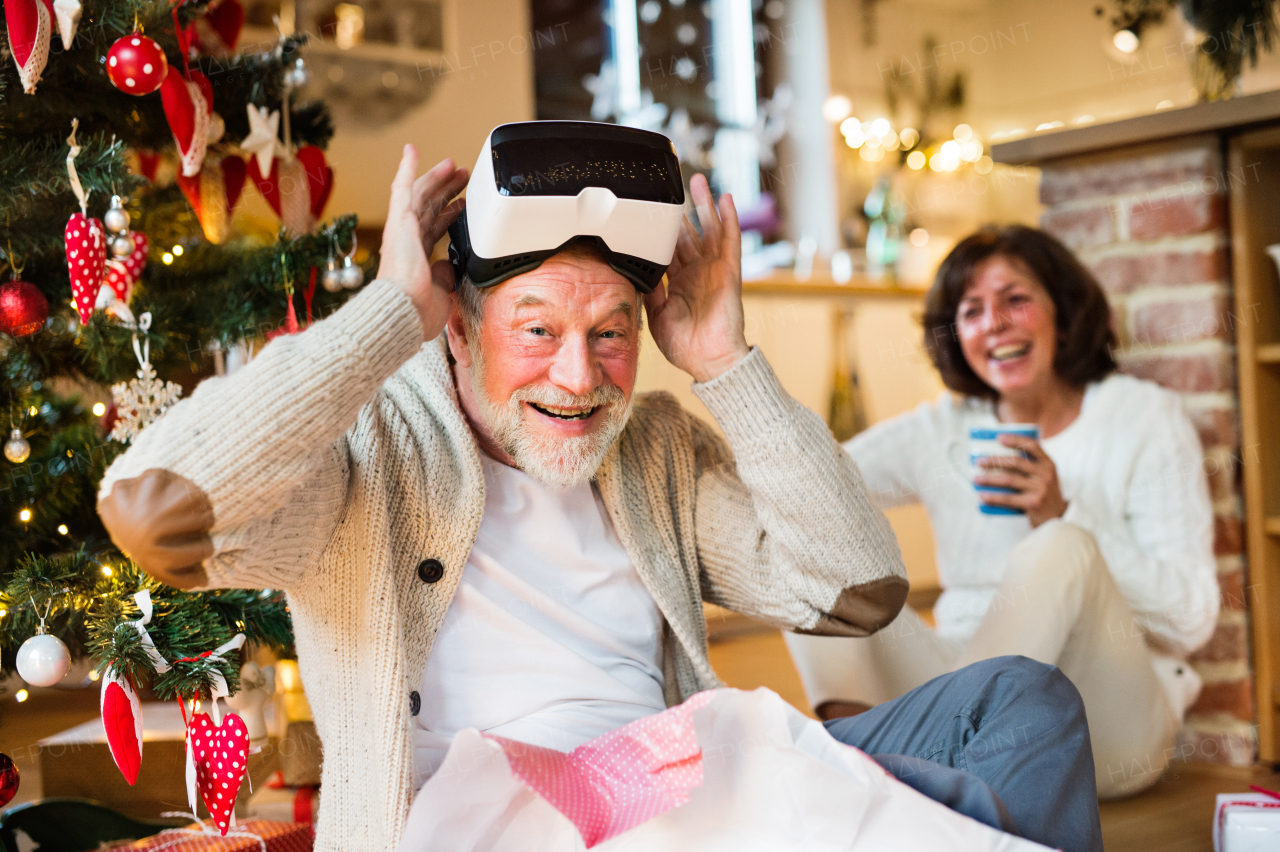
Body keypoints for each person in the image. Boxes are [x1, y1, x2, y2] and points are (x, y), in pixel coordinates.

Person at [97, 125, 1100, 851]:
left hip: (680, 778)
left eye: (610, 333)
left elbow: (854, 587)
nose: (577, 379)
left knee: (1018, 697)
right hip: (500, 818)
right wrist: (385, 312)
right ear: (457, 326)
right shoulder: (368, 459)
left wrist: (724, 360)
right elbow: (157, 503)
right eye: (535, 330)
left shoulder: (653, 446)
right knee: (915, 807)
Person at [786, 224, 1219, 800]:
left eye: (1016, 299)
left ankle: (927, 773)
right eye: (972, 311)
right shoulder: (945, 425)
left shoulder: (1143, 419)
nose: (994, 323)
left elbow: (1190, 620)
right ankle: (854, 760)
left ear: (1062, 312)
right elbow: (807, 485)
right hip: (955, 678)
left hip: (1108, 724)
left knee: (1060, 545)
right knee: (803, 522)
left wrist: (1067, 515)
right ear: (957, 335)